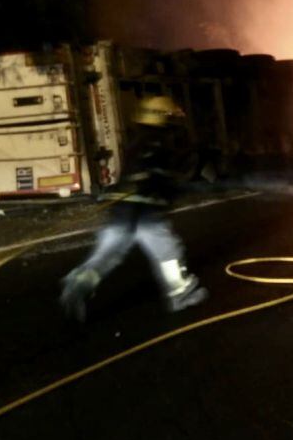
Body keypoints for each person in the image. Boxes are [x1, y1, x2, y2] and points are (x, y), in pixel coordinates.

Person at [59, 94, 209, 322]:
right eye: (169, 117)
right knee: (168, 252)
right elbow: (162, 179)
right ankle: (181, 295)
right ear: (161, 118)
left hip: (121, 212)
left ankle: (79, 283)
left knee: (107, 255)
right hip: (147, 215)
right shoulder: (159, 144)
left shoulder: (136, 142)